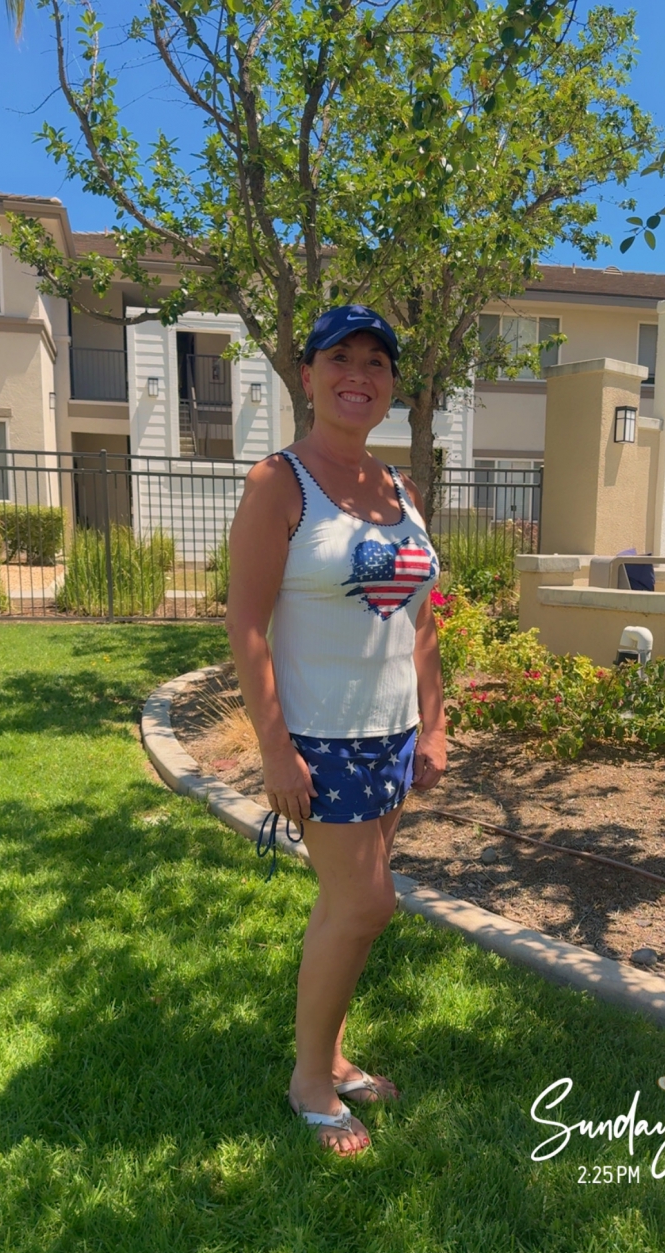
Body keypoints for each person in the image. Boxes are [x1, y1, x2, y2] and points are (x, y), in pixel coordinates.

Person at [225, 305, 447, 1155]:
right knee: (365, 902)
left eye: (376, 362)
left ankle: (331, 1057)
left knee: (344, 908)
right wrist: (274, 748)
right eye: (340, 357)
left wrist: (434, 724)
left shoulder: (401, 490)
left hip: (392, 733)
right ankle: (309, 1083)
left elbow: (421, 621)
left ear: (392, 384)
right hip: (321, 740)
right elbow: (246, 624)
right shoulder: (279, 483)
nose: (359, 374)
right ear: (309, 374)